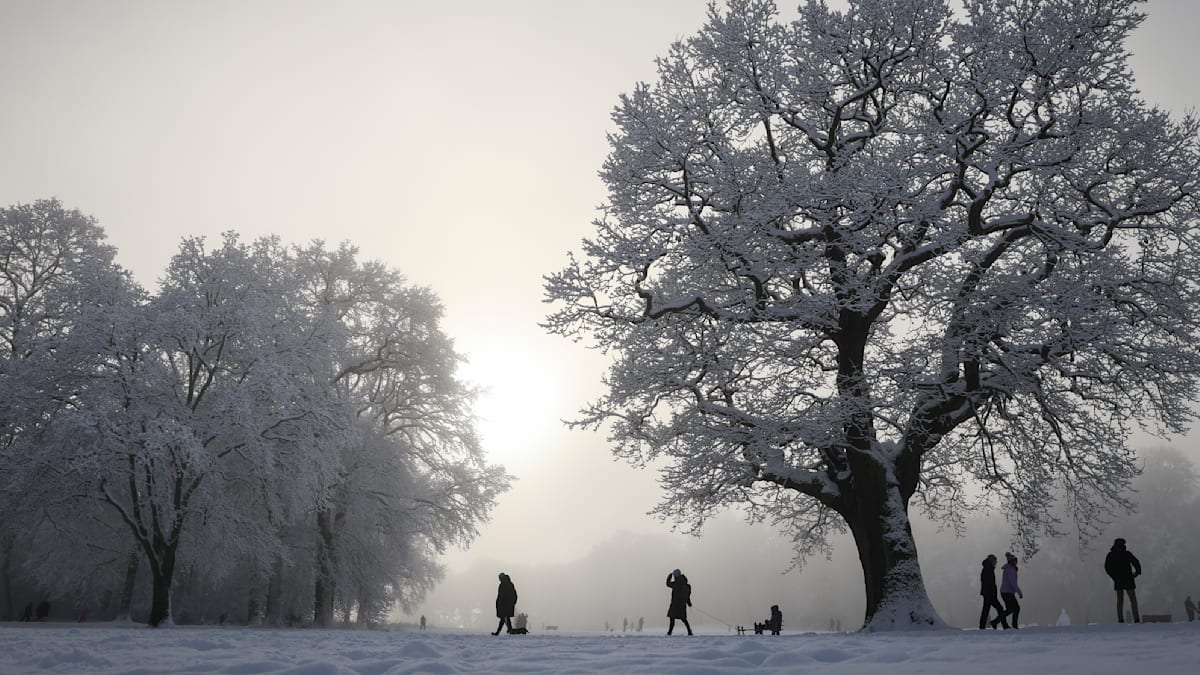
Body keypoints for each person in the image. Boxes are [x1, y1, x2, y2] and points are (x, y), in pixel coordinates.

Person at [1103, 538, 1141, 623]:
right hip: (1128, 579)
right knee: (1133, 600)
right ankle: (1136, 618)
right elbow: (1136, 562)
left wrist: (1114, 576)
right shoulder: (1127, 554)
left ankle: (1120, 619)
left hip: (1118, 580)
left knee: (1120, 601)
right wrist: (1137, 572)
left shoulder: (1111, 555)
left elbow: (1107, 567)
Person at [979, 554, 1009, 630]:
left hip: (988, 593)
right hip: (990, 594)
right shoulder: (988, 569)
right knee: (999, 608)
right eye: (995, 561)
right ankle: (1003, 625)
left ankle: (983, 626)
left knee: (986, 610)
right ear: (992, 561)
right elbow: (989, 583)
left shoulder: (988, 568)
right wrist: (992, 593)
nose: (996, 562)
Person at [999, 552, 1023, 629]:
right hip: (1007, 592)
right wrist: (1019, 592)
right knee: (1016, 608)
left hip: (1005, 592)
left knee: (1010, 609)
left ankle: (995, 622)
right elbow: (1013, 583)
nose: (1016, 562)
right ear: (1013, 562)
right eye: (1015, 561)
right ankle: (1014, 625)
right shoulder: (1011, 570)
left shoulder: (1008, 569)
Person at [666, 569, 693, 636]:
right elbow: (687, 595)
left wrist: (669, 577)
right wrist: (688, 602)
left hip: (675, 604)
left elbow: (668, 584)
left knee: (672, 618)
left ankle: (669, 632)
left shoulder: (677, 583)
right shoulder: (687, 586)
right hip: (682, 605)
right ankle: (689, 632)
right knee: (683, 619)